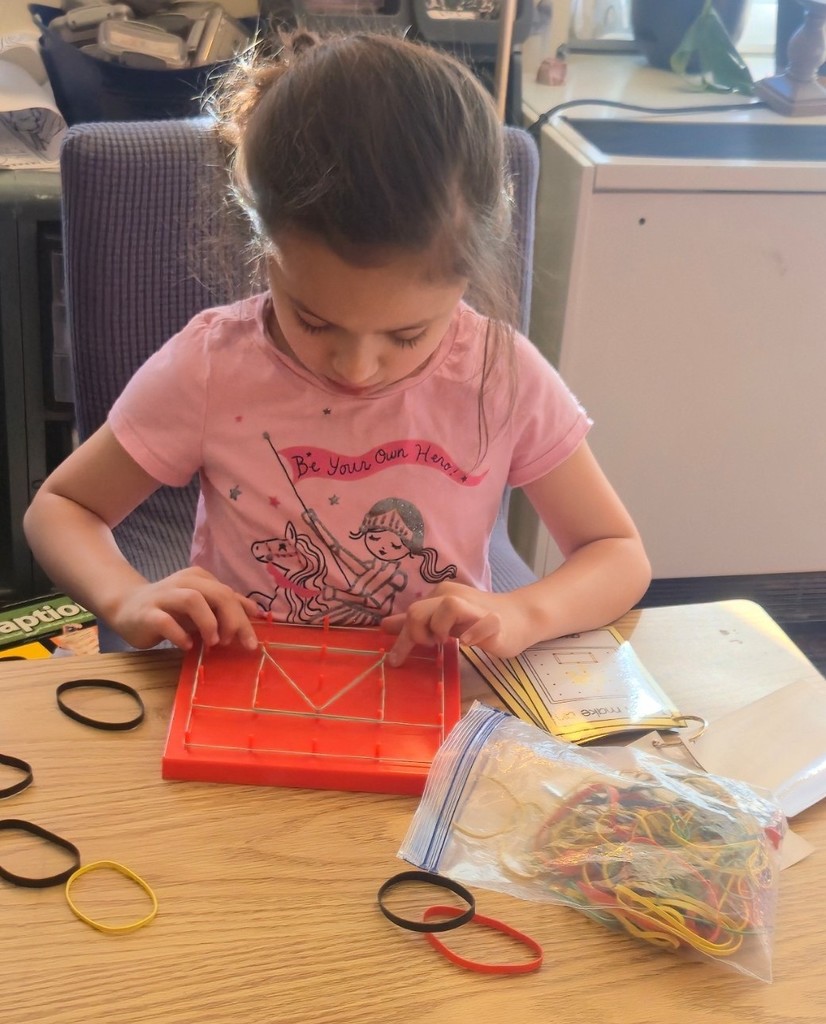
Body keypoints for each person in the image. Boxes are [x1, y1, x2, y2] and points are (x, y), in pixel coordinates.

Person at [23, 31, 651, 666]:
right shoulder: (214, 364)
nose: (356, 369)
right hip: (247, 687)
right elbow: (62, 507)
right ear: (264, 250)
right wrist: (126, 597)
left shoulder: (498, 372)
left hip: (431, 701)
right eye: (314, 321)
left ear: (473, 271)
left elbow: (617, 553)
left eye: (408, 335)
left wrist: (523, 611)